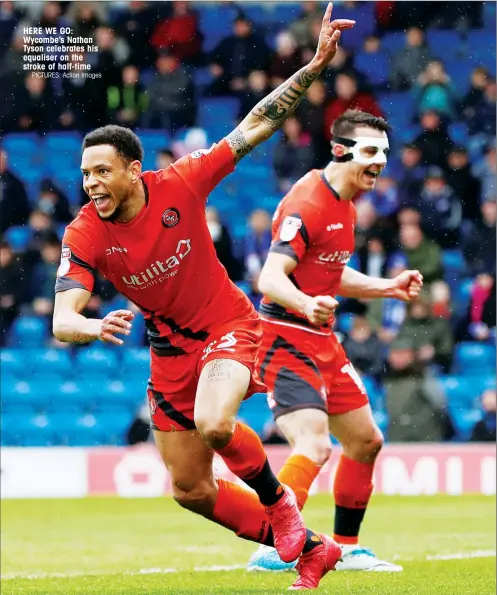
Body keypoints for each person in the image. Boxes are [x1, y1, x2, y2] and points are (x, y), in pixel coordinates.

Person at [52, 6, 356, 591]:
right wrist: (87, 327)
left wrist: (314, 66)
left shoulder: (182, 182)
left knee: (214, 422)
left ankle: (283, 507)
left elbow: (257, 123)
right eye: (84, 175)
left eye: (101, 172)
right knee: (190, 489)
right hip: (168, 350)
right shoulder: (84, 231)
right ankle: (312, 551)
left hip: (227, 324)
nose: (90, 184)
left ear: (134, 171)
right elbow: (64, 317)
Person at [248, 109, 423, 573]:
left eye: (384, 153)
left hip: (321, 337)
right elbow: (270, 277)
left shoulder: (346, 201)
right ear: (341, 150)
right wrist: (306, 304)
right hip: (285, 336)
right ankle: (271, 544)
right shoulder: (308, 202)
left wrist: (386, 286)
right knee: (313, 444)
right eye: (370, 151)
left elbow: (329, 270)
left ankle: (345, 547)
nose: (380, 161)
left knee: (365, 441)